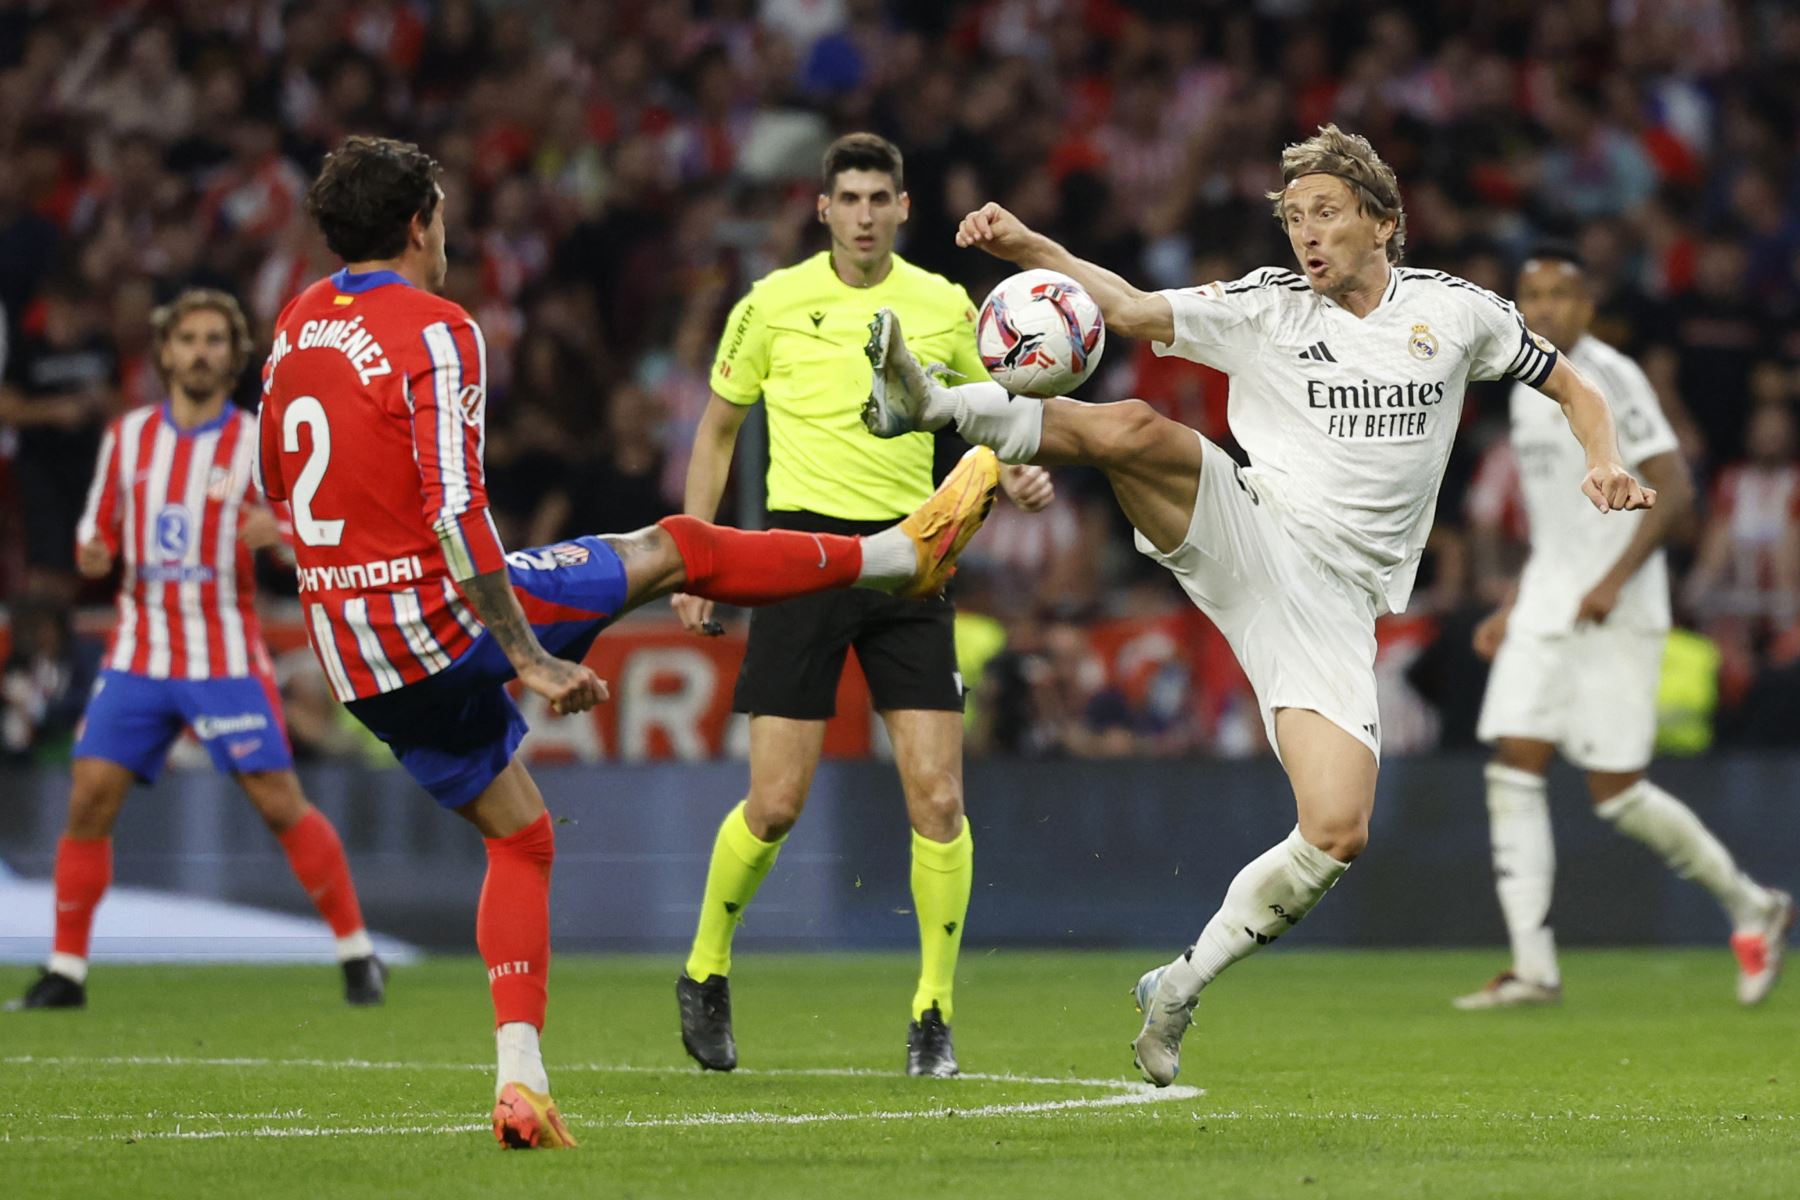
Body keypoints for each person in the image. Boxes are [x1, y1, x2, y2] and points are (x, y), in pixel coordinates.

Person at [862, 124, 1655, 1087]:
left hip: (1333, 602)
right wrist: (1031, 247)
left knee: (1336, 830)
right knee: (1139, 428)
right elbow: (1127, 308)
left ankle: (1179, 988)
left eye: (1326, 214)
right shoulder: (1267, 308)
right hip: (1252, 520)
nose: (1306, 236)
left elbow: (1571, 385)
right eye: (1293, 219)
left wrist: (1605, 459)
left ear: (1385, 224)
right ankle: (932, 404)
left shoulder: (1458, 315)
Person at [259, 135, 999, 1148]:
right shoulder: (437, 330)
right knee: (674, 548)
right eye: (443, 211)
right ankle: (892, 556)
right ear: (421, 224)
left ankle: (522, 1082)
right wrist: (523, 652)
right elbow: (460, 515)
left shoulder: (296, 327)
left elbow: (284, 497)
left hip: (355, 651)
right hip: (443, 617)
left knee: (523, 837)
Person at [671, 132, 1054, 1080]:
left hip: (913, 559)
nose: (866, 214)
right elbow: (717, 431)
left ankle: (934, 1014)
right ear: (823, 209)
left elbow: (990, 410)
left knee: (938, 798)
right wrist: (693, 557)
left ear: (904, 208)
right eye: (850, 197)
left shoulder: (943, 304)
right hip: (802, 558)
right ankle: (705, 970)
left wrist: (1020, 468)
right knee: (775, 804)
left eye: (881, 196)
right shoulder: (771, 303)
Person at [7, 290, 382, 1012]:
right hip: (140, 651)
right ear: (166, 353)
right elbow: (98, 539)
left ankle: (357, 951)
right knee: (88, 799)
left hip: (224, 651)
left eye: (216, 340)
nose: (202, 351)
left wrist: (280, 538)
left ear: (234, 356)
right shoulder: (129, 437)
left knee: (280, 804)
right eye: (190, 339)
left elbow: (319, 541)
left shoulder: (257, 440)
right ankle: (66, 970)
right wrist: (93, 550)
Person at [1457, 247, 1792, 1010]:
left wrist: (1611, 580)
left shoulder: (1615, 375)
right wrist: (1515, 605)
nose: (1543, 309)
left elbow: (1673, 490)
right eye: (1532, 295)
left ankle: (1753, 906)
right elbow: (1555, 520)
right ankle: (1534, 966)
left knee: (1616, 794)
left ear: (1587, 305)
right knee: (1513, 763)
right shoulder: (1526, 385)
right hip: (1548, 601)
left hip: (1618, 607)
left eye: (1559, 296)